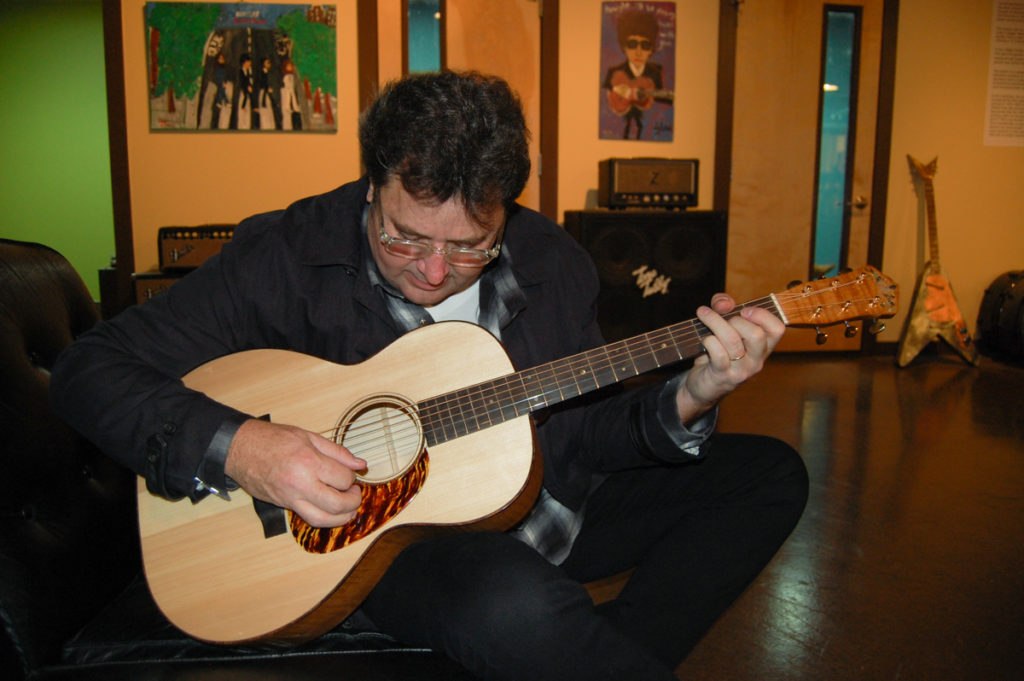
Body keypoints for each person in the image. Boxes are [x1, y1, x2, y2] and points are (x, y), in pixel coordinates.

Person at [51, 70, 807, 680]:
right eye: (404, 238)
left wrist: (692, 394)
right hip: (390, 542)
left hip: (545, 506)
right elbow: (88, 368)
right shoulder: (285, 256)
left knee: (769, 473)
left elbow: (587, 434)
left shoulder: (553, 262)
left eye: (472, 246)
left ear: (505, 210)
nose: (437, 271)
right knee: (515, 606)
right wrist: (243, 446)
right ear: (372, 184)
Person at [602, 9, 671, 140]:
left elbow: (663, 101)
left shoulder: (656, 72)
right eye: (632, 44)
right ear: (624, 46)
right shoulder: (614, 72)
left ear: (651, 49)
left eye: (645, 45)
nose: (638, 52)